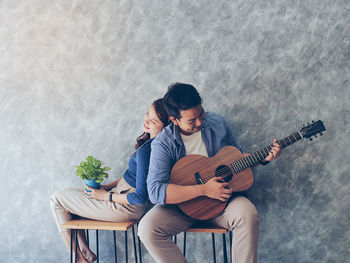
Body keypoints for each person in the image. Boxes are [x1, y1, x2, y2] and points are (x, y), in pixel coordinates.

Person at [138, 83, 282, 263]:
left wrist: (263, 158)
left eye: (201, 114)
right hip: (182, 207)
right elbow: (155, 190)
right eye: (191, 120)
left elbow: (236, 158)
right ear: (174, 120)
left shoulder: (218, 122)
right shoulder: (163, 143)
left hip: (224, 202)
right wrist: (204, 190)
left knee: (248, 214)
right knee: (147, 228)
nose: (199, 122)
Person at [50, 98, 169, 263]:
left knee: (57, 199)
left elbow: (140, 196)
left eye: (153, 120)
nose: (147, 120)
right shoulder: (159, 145)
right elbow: (132, 175)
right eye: (148, 114)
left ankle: (79, 257)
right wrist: (106, 187)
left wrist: (105, 196)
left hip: (127, 205)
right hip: (123, 197)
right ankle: (85, 252)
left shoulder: (147, 151)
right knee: (70, 195)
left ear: (166, 126)